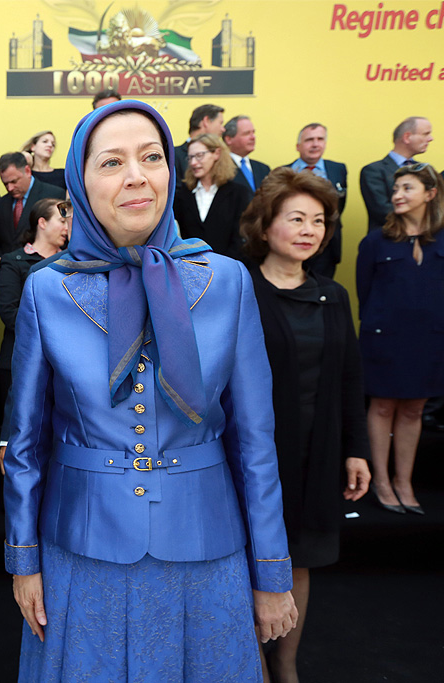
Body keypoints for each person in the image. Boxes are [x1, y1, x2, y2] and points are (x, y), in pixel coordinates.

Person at [4, 101, 296, 682]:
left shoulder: (227, 281)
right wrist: (23, 560)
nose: (137, 176)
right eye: (112, 162)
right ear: (80, 184)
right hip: (81, 553)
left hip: (207, 549)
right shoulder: (47, 291)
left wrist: (271, 570)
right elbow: (24, 442)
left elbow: (255, 442)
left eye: (152, 157)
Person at [240, 168, 371, 682]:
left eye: (318, 221)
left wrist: (356, 449)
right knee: (249, 561)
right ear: (265, 224)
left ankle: (287, 664)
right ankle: (252, 666)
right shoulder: (240, 290)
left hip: (316, 452)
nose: (309, 230)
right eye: (296, 218)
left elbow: (350, 378)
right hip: (254, 456)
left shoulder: (333, 295)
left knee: (300, 559)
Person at [356, 162, 444, 515]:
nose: (397, 195)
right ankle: (381, 481)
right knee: (382, 407)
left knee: (414, 409)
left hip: (429, 340)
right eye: (396, 189)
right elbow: (365, 293)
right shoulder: (375, 241)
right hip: (385, 339)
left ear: (430, 194)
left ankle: (404, 482)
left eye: (407, 188)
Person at [0, 197, 69, 409]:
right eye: (61, 221)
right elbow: (9, 312)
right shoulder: (14, 261)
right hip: (21, 359)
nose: (67, 227)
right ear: (42, 222)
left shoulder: (74, 262)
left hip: (64, 361)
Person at [173, 133, 251, 260]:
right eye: (190, 157)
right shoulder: (182, 195)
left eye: (199, 156)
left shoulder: (238, 193)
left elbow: (240, 238)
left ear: (217, 153)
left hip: (228, 265)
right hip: (192, 266)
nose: (193, 163)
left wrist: (223, 265)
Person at [286, 124, 348, 278]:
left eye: (320, 139)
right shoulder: (284, 172)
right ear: (298, 146)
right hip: (294, 242)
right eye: (309, 140)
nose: (315, 144)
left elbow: (339, 205)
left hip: (328, 246)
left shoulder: (338, 169)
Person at [360, 117, 433, 233]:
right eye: (425, 134)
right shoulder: (374, 171)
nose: (430, 139)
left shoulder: (426, 170)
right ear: (407, 137)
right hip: (389, 237)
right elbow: (382, 211)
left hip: (426, 238)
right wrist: (419, 221)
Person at [0, 152, 65, 260]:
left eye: (14, 181)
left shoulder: (54, 195)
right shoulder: (0, 204)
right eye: (5, 184)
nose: (10, 188)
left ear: (28, 171)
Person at [174, 104, 225, 181]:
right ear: (206, 121)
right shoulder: (173, 155)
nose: (223, 129)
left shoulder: (223, 155)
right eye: (220, 123)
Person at [224, 115, 270, 195]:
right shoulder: (220, 168)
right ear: (229, 139)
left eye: (253, 132)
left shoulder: (263, 169)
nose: (253, 137)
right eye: (246, 133)